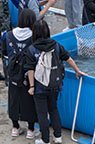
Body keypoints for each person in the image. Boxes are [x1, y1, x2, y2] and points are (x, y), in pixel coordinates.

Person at [24, 19, 86, 144]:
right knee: (53, 109)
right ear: (47, 31)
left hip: (39, 87)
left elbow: (30, 70)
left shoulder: (31, 49)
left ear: (34, 33)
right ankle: (58, 137)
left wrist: (31, 86)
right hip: (55, 84)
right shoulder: (56, 45)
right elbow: (68, 58)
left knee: (42, 113)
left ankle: (45, 140)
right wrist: (77, 71)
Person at [1, 9, 37, 139]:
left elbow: (4, 54)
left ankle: (15, 128)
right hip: (29, 74)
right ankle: (31, 130)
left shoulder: (8, 35)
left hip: (13, 73)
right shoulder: (34, 36)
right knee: (30, 100)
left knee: (13, 100)